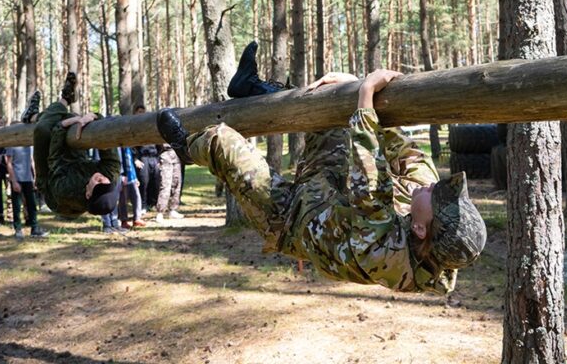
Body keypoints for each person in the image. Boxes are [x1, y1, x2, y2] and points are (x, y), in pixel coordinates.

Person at [155, 43, 487, 293]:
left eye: (437, 197)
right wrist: (353, 87)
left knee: (221, 142)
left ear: (419, 230)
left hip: (289, 221)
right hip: (326, 190)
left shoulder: (387, 257)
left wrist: (366, 91)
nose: (434, 186)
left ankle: (187, 150)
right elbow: (404, 151)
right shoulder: (426, 206)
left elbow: (369, 186)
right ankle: (254, 90)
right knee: (327, 109)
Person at [24, 73, 122, 219]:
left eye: (98, 183)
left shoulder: (67, 191)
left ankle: (53, 106)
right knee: (72, 120)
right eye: (105, 183)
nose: (101, 179)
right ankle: (34, 115)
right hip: (76, 168)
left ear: (88, 194)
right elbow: (107, 144)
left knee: (43, 129)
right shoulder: (110, 176)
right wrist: (95, 118)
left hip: (51, 181)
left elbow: (54, 158)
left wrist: (61, 126)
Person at [5, 128, 47, 240]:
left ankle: (34, 228)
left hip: (28, 178)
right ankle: (18, 229)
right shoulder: (12, 145)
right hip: (17, 178)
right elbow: (9, 163)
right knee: (17, 206)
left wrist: (34, 178)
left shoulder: (29, 145)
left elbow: (32, 161)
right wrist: (13, 181)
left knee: (32, 204)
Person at [133, 105, 161, 211]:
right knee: (144, 182)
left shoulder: (151, 126)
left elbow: (159, 145)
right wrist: (135, 160)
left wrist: (159, 159)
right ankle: (143, 205)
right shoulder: (133, 128)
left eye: (143, 112)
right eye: (139, 112)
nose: (142, 114)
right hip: (142, 158)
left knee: (156, 181)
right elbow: (132, 147)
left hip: (154, 158)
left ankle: (152, 203)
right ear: (135, 113)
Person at [118, 146, 146, 229]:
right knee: (123, 199)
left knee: (136, 197)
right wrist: (122, 176)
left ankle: (137, 219)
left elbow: (130, 162)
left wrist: (135, 177)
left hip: (132, 176)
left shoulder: (129, 148)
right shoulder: (119, 148)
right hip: (123, 177)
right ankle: (124, 220)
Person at [154, 145, 183, 223]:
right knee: (165, 184)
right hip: (165, 154)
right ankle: (160, 212)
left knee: (176, 182)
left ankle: (172, 209)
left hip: (176, 154)